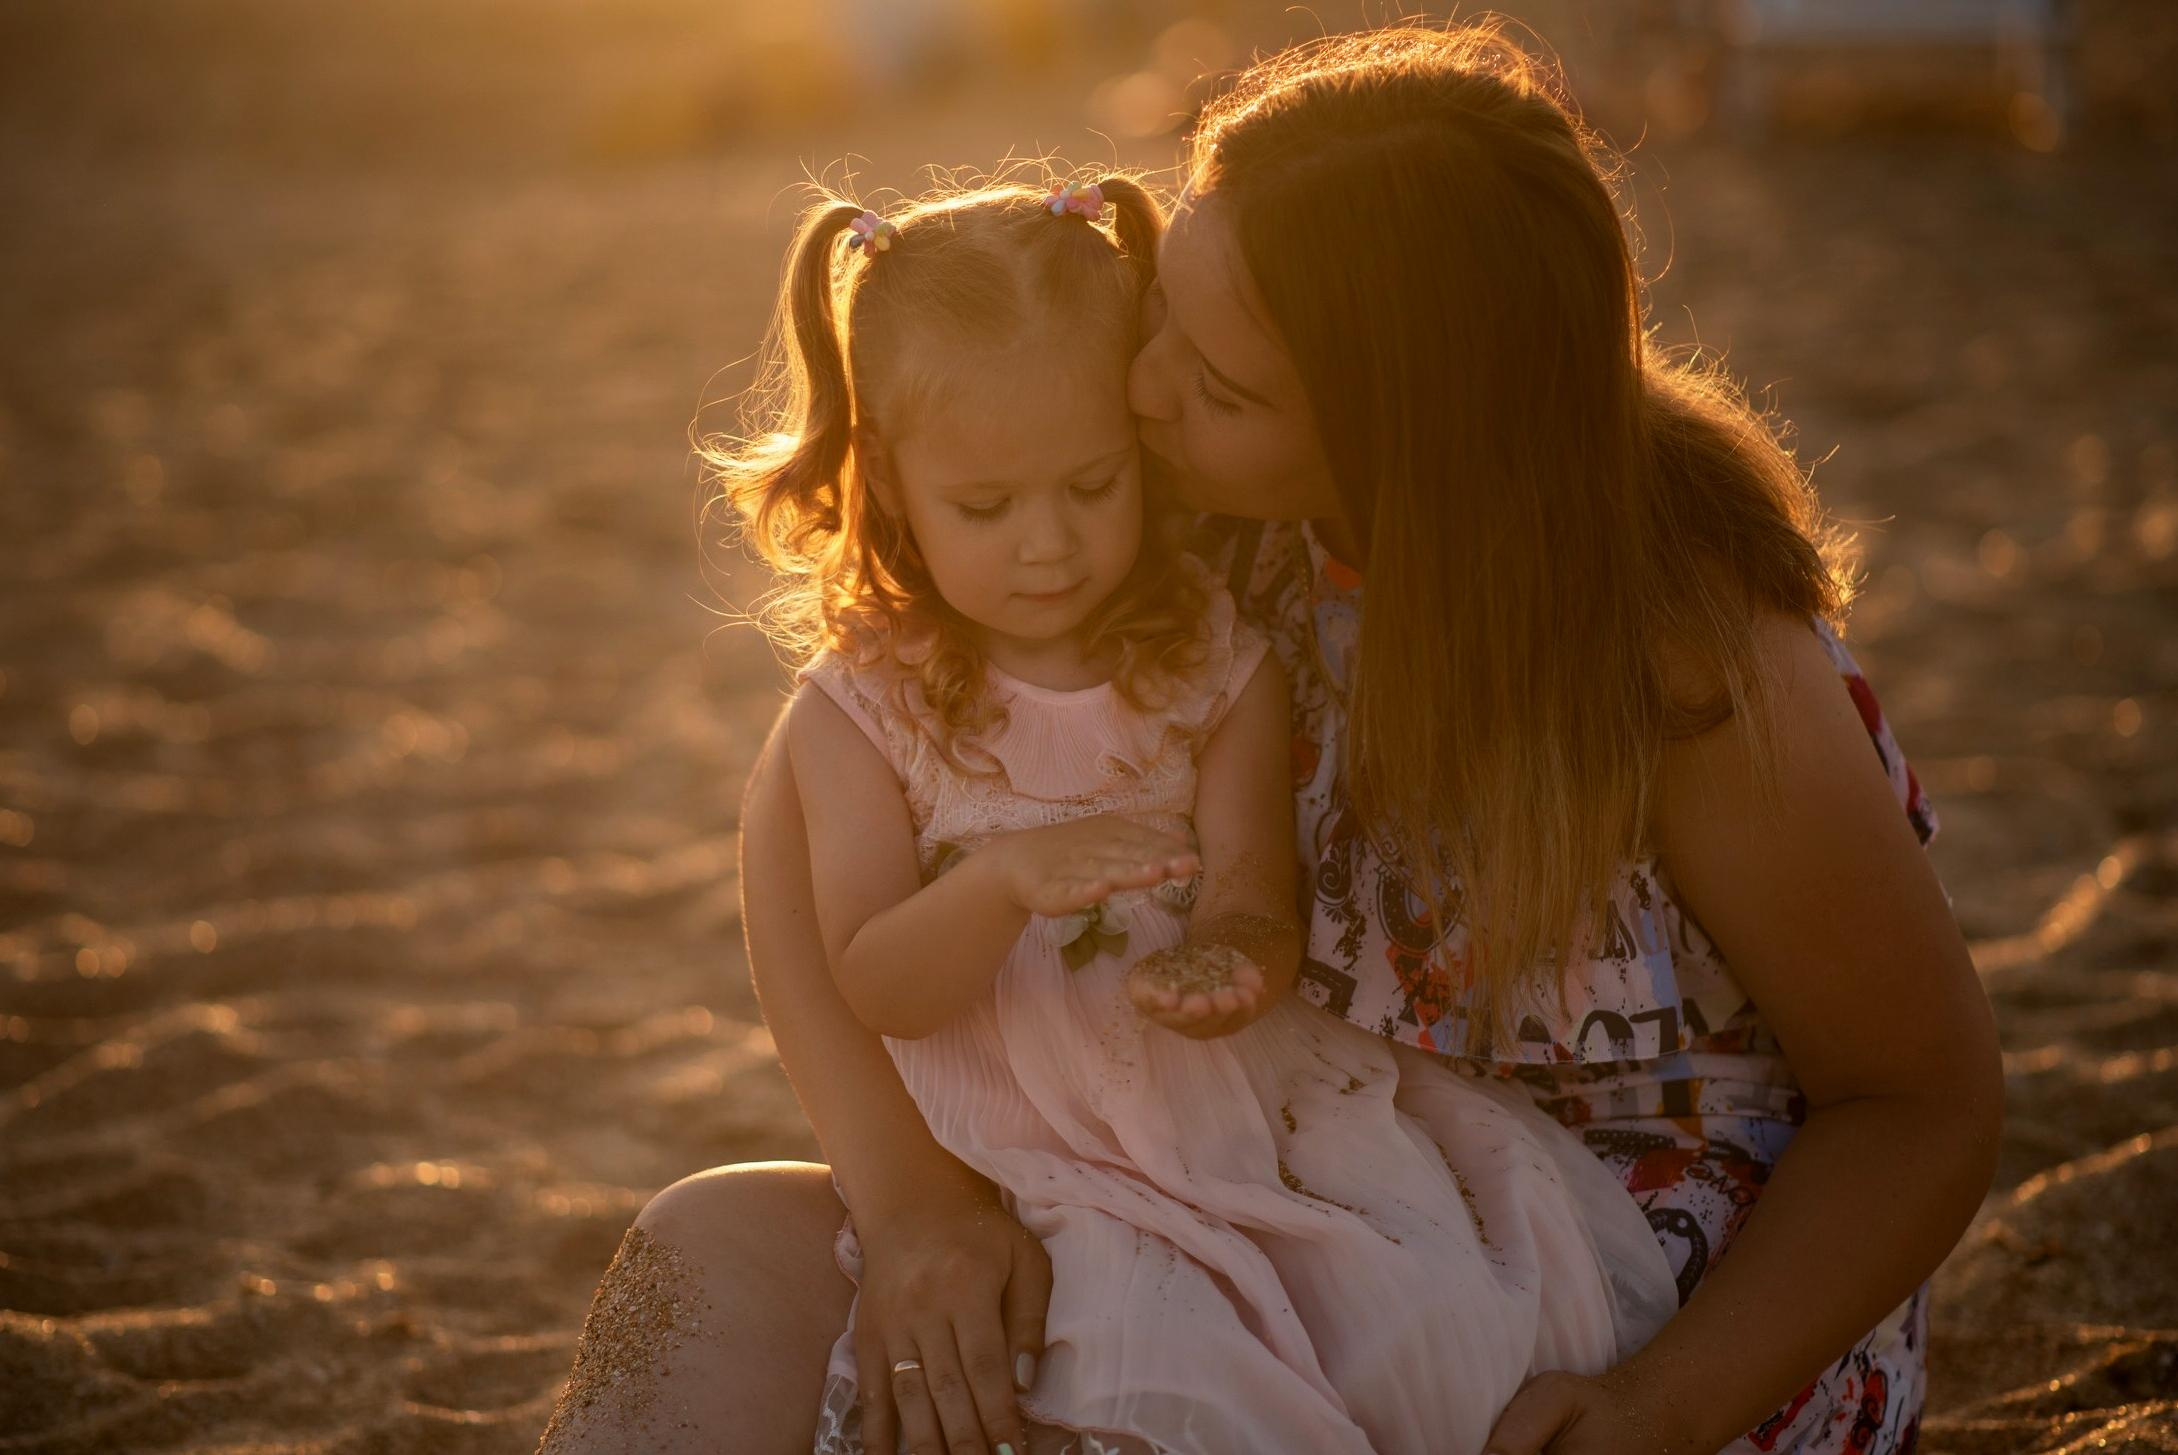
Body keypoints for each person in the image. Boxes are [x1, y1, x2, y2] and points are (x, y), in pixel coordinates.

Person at [539, 21, 2002, 1455]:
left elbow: (1917, 1102)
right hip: (1215, 1178)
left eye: (1217, 381)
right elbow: (798, 810)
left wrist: (1657, 1405)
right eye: (1163, 307)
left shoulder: (1685, 662)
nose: (1145, 381)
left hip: (1617, 1310)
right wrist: (911, 1192)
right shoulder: (1188, 516)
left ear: (1393, 436)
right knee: (706, 1255)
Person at [746, 170, 1675, 1454]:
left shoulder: (1211, 662)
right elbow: (873, 980)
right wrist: (1006, 880)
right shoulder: (864, 707)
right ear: (890, 484)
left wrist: (1237, 963)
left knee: (1421, 1338)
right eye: (987, 507)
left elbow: (1252, 891)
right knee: (1155, 1376)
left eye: (1093, 484)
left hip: (1244, 1113)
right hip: (1047, 1159)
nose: (1049, 546)